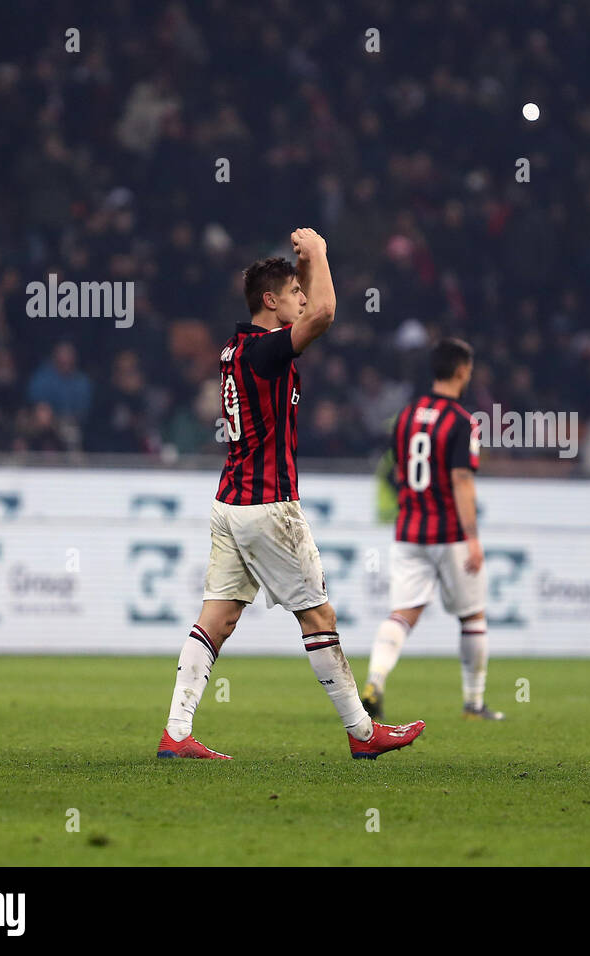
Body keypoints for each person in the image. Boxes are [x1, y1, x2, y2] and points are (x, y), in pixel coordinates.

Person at [157, 228, 425, 760]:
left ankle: (177, 734)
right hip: (268, 505)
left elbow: (310, 312)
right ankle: (363, 733)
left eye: (303, 290)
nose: (303, 299)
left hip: (230, 501)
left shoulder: (234, 351)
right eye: (293, 292)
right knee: (318, 619)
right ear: (269, 300)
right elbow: (324, 316)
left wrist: (306, 267)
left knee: (218, 618)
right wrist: (321, 253)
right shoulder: (263, 353)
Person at [361, 338, 503, 721]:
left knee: (402, 614)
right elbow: (461, 481)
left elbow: (396, 472)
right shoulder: (462, 421)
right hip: (450, 533)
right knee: (472, 616)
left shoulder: (405, 416)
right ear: (461, 371)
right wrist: (473, 539)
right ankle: (473, 703)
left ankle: (375, 679)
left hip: (409, 531)